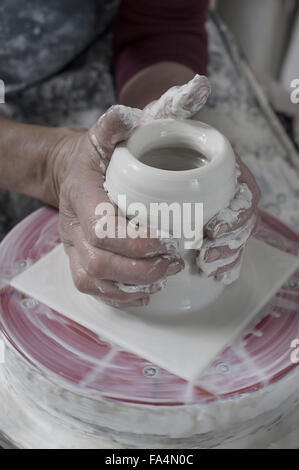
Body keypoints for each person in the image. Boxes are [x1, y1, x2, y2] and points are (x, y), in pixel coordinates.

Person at [0, 0, 260, 308]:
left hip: (115, 49)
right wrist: (51, 163)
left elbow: (162, 25)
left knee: (251, 206)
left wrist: (155, 123)